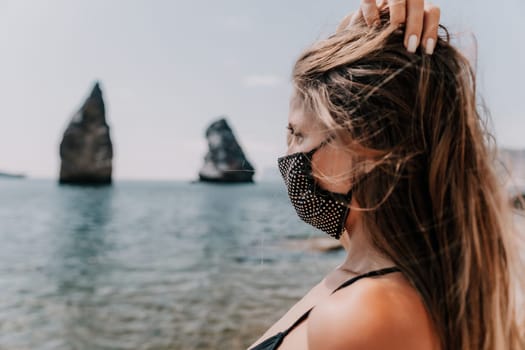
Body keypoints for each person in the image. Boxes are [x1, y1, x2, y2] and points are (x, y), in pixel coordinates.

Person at [248, 1, 525, 349]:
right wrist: (361, 46)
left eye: (299, 134)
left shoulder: (365, 314)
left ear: (364, 147)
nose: (288, 154)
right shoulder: (374, 281)